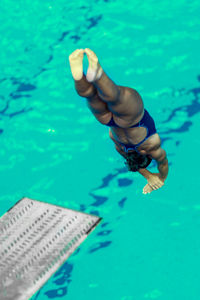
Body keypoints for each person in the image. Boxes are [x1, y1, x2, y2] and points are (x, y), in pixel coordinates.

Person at [69, 48, 169, 194]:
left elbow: (163, 164)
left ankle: (98, 73)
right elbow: (133, 164)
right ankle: (78, 76)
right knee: (90, 96)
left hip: (133, 120)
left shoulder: (151, 146)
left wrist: (160, 178)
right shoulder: (121, 149)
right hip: (107, 121)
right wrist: (148, 177)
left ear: (146, 154)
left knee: (116, 96)